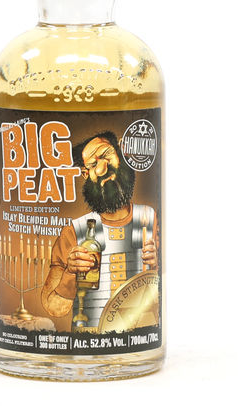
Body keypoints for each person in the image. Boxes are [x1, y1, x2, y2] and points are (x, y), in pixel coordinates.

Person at [41, 131, 158, 329]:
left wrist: (157, 267)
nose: (103, 169)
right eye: (93, 164)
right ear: (86, 175)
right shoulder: (73, 232)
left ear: (121, 155)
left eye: (105, 155)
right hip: (89, 339)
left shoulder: (151, 219)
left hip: (140, 336)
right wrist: (71, 273)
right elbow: (55, 308)